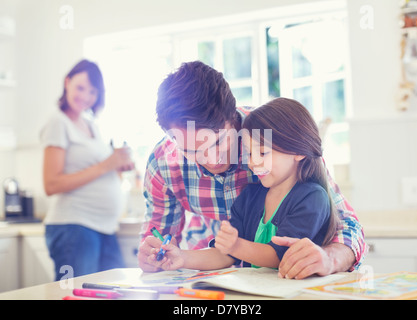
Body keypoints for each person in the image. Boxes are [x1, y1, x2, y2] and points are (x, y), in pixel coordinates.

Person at [138, 61, 366, 279]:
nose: (211, 160)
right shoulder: (163, 164)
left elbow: (346, 224)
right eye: (191, 151)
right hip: (216, 270)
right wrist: (153, 255)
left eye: (217, 142)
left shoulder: (275, 134)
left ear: (233, 117)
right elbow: (161, 238)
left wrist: (330, 258)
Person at [144, 97, 340, 271]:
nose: (253, 162)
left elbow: (280, 256)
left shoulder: (312, 197)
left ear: (299, 151)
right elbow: (224, 254)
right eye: (249, 153)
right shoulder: (250, 196)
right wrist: (182, 257)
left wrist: (235, 245)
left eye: (262, 153)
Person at [40, 59, 134, 280]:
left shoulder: (90, 124)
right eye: (80, 88)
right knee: (79, 295)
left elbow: (99, 169)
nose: (85, 96)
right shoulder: (58, 122)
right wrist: (106, 165)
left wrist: (118, 164)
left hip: (104, 227)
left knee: (117, 291)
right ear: (67, 82)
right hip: (75, 227)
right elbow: (51, 184)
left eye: (92, 91)